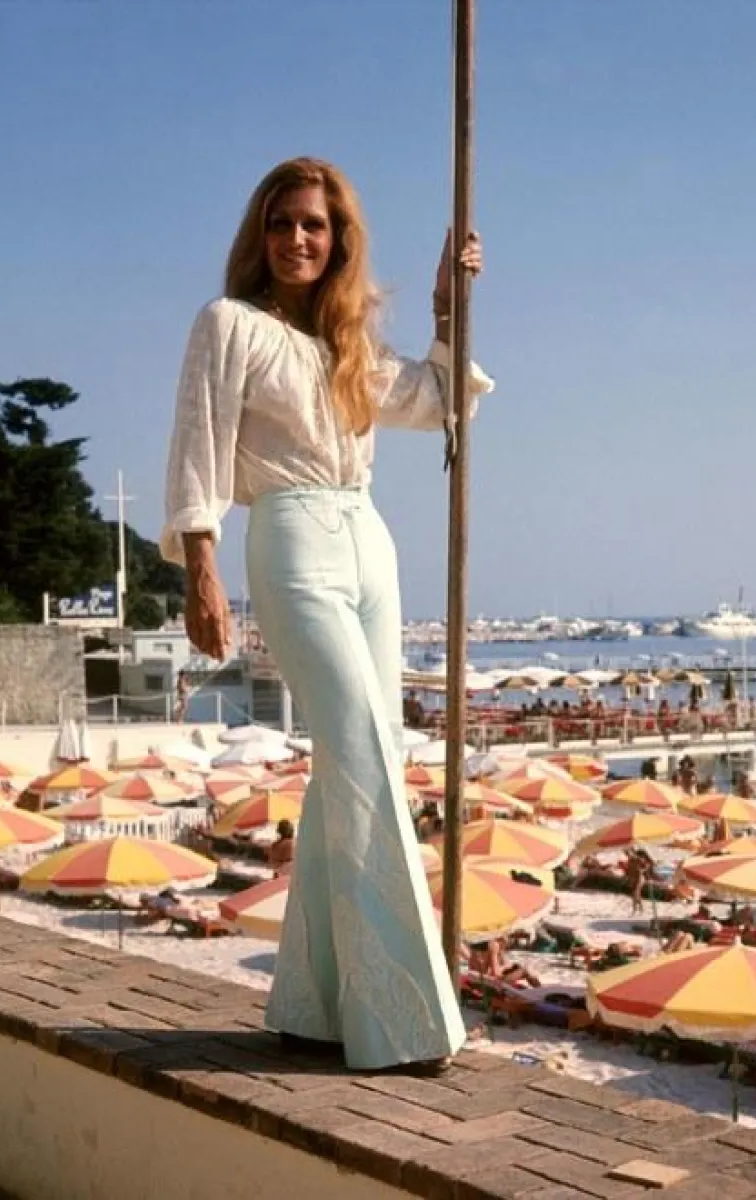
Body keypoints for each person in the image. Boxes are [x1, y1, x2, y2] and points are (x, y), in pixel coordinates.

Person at [161, 158, 491, 1075]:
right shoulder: (229, 324)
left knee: (355, 759)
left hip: (369, 543)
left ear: (339, 240)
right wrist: (200, 569)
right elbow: (196, 445)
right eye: (282, 223)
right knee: (365, 753)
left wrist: (446, 308)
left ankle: (311, 1004)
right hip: (291, 538)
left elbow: (436, 402)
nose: (297, 239)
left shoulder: (347, 346)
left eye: (314, 225)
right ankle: (404, 1019)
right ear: (259, 235)